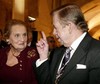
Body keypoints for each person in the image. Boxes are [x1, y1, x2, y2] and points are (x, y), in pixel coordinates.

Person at [35, 3, 100, 84]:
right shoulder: (57, 52)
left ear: (69, 26)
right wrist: (43, 57)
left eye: (55, 27)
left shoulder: (97, 51)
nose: (53, 32)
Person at [0, 19, 38, 84]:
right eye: (17, 35)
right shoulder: (2, 53)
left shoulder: (33, 53)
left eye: (24, 35)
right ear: (8, 38)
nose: (22, 39)